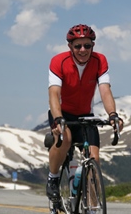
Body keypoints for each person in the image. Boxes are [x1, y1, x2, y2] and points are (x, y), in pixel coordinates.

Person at [46, 24, 123, 201]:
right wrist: (58, 119)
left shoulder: (99, 60)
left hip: (85, 115)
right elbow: (54, 93)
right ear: (70, 47)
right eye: (78, 46)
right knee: (65, 140)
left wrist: (112, 115)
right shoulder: (59, 61)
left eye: (87, 45)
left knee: (94, 160)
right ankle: (53, 177)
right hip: (62, 113)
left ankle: (93, 208)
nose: (83, 50)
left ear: (92, 46)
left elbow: (105, 90)